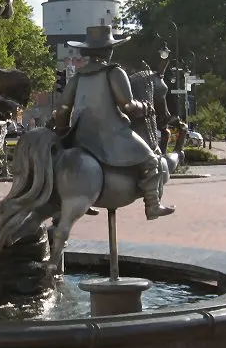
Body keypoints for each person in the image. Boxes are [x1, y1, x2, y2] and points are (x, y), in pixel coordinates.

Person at [52, 25, 175, 220]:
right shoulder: (114, 72)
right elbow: (126, 105)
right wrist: (144, 106)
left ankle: (82, 199)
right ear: (108, 51)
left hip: (81, 135)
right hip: (110, 133)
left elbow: (63, 109)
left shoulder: (78, 76)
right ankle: (152, 204)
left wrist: (63, 133)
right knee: (151, 159)